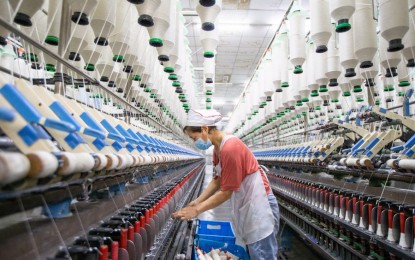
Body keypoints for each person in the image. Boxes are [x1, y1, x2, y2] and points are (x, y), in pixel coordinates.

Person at [172, 109, 280, 260]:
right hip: (248, 202)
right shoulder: (218, 148)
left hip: (259, 204)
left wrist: (197, 210)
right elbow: (217, 179)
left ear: (204, 129)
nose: (194, 142)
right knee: (253, 250)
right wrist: (197, 202)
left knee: (261, 254)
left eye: (194, 137)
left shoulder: (230, 148)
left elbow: (226, 192)